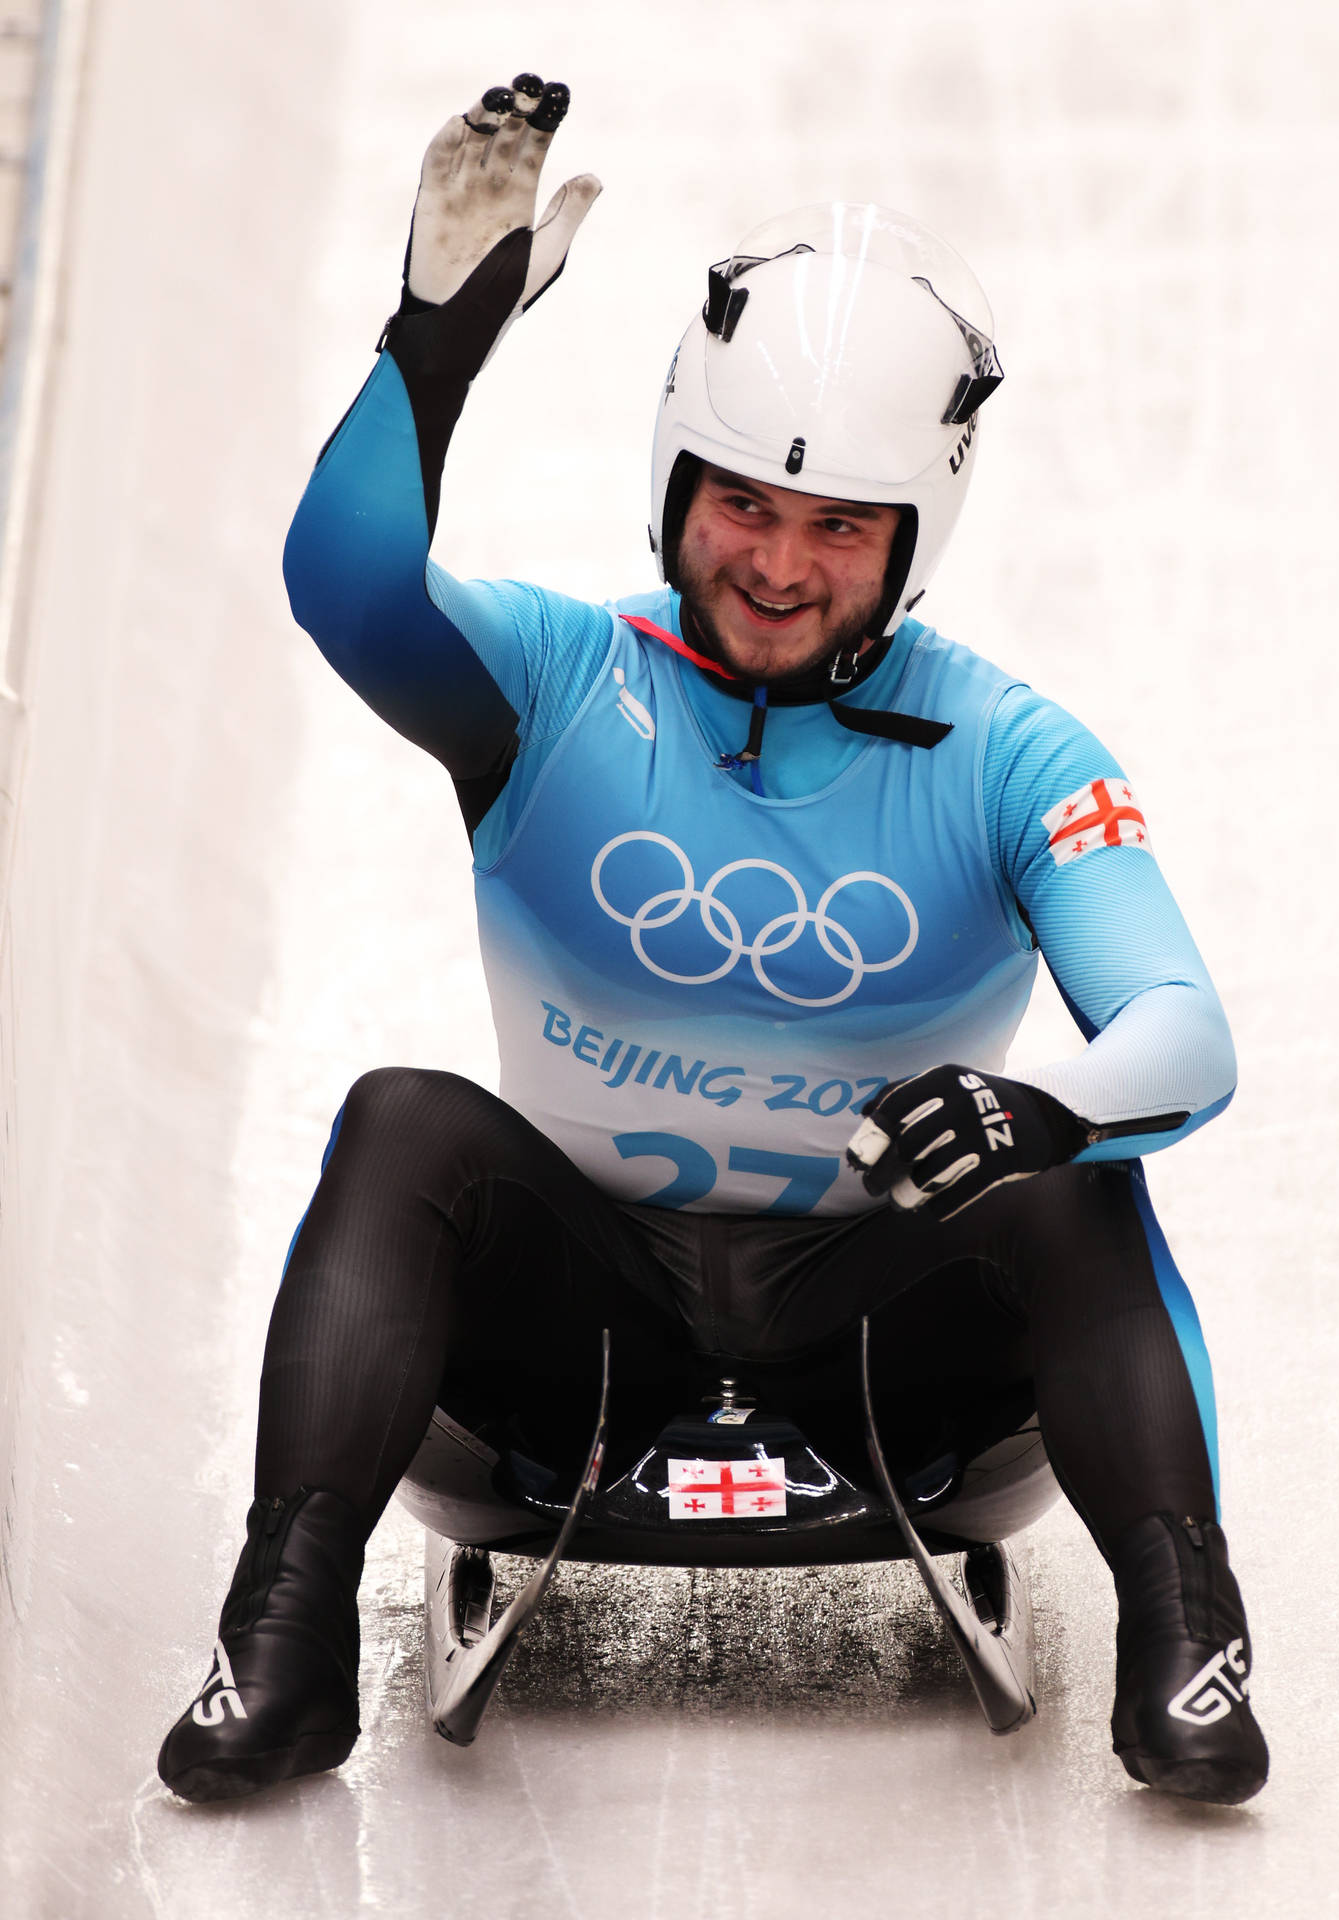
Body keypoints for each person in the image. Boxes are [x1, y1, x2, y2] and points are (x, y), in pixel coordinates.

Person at [157, 75, 1269, 1807]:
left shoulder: (1017, 750)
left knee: (1080, 1177)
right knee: (401, 1119)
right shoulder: (550, 675)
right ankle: (280, 1643)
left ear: (914, 543)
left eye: (840, 528)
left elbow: (1182, 1032)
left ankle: (1188, 1640)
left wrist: (1040, 1115)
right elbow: (350, 591)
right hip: (575, 1324)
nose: (777, 562)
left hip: (895, 1346)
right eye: (745, 501)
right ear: (675, 475)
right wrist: (432, 350)